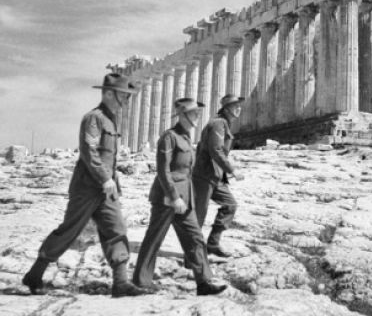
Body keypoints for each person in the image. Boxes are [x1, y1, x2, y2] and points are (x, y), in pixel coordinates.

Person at [23, 73, 146, 297]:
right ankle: (35, 274)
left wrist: (112, 182)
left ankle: (120, 283)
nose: (126, 101)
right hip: (87, 187)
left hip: (106, 188)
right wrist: (104, 178)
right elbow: (89, 152)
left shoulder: (111, 119)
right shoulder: (94, 118)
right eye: (123, 96)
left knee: (116, 228)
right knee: (69, 231)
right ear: (109, 93)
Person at [132, 98, 227, 296]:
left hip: (185, 198)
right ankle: (141, 281)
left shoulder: (185, 138)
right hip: (167, 198)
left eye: (198, 114)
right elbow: (163, 169)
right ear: (183, 115)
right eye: (193, 114)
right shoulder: (169, 137)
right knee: (154, 239)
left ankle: (204, 282)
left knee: (195, 237)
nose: (197, 118)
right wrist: (174, 197)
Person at [193, 94, 245, 258]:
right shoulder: (218, 123)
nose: (239, 108)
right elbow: (215, 150)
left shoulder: (224, 124)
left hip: (215, 176)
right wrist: (232, 170)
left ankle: (213, 244)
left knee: (230, 205)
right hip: (204, 174)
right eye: (235, 106)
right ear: (226, 109)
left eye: (239, 105)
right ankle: (192, 254)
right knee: (199, 215)